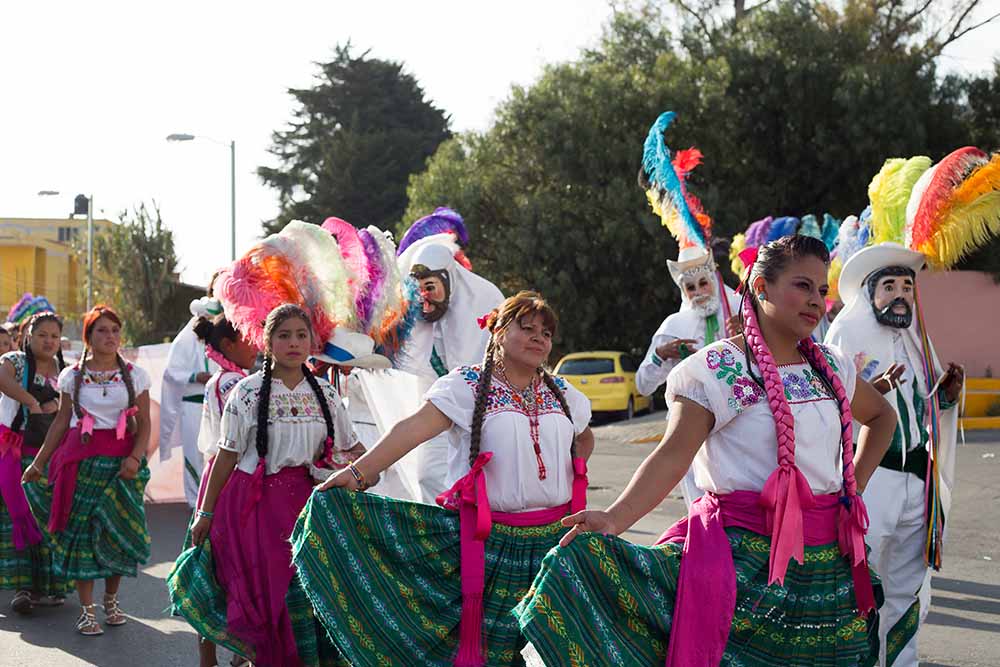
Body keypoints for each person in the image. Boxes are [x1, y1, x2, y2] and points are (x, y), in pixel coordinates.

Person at [515, 236, 896, 667]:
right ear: (761, 287)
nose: (815, 301)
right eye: (802, 285)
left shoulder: (833, 365)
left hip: (827, 565)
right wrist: (614, 519)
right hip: (741, 565)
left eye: (822, 290)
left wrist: (852, 492)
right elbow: (672, 455)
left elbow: (883, 418)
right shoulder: (715, 370)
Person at [291, 291, 594, 667]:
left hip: (555, 542)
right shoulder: (466, 386)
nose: (539, 338)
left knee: (564, 652)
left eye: (546, 333)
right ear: (497, 331)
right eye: (527, 327)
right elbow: (413, 429)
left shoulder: (562, 393)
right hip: (489, 544)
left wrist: (570, 465)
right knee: (492, 653)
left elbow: (583, 434)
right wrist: (358, 472)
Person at [168, 304, 363, 667]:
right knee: (265, 603)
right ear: (268, 342)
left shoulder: (327, 394)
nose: (293, 343)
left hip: (309, 508)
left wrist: (365, 468)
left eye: (301, 335)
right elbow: (225, 457)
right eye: (283, 335)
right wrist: (205, 513)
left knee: (304, 602)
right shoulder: (247, 392)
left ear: (311, 341)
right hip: (252, 510)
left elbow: (353, 448)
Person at [826, 242, 964, 666]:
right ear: (870, 294)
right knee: (862, 584)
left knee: (907, 587)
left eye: (908, 285)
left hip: (917, 483)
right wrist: (876, 393)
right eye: (890, 286)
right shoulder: (847, 335)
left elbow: (925, 407)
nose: (902, 294)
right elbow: (827, 408)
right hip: (872, 479)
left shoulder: (916, 338)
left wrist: (947, 397)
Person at [23, 305, 152, 636]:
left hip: (122, 466)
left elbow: (146, 426)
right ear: (88, 337)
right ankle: (87, 611)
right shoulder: (73, 377)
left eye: (115, 330)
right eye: (102, 331)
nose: (110, 337)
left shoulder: (136, 375)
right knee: (81, 537)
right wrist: (39, 462)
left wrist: (135, 459)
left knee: (118, 535)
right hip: (80, 464)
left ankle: (111, 601)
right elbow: (61, 422)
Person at [392, 213, 504, 503]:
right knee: (427, 475)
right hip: (437, 411)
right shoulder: (416, 318)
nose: (424, 298)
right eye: (417, 291)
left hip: (485, 413)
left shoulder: (487, 300)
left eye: (430, 287)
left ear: (448, 280)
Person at [635, 244, 741, 505]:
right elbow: (643, 385)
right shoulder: (674, 325)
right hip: (691, 432)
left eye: (703, 283)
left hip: (739, 425)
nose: (698, 293)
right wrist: (660, 354)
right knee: (701, 504)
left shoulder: (740, 310)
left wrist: (748, 332)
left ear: (714, 279)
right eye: (690, 288)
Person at [184, 311, 258, 667]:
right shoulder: (232, 383)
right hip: (230, 481)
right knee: (221, 570)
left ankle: (226, 654)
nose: (256, 344)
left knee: (224, 569)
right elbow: (239, 442)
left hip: (226, 476)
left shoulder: (232, 378)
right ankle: (211, 658)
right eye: (249, 337)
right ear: (229, 344)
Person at [0, 312, 67, 613]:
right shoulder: (15, 361)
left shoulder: (64, 370)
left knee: (50, 519)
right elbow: (1, 379)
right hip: (15, 452)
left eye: (54, 335)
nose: (49, 340)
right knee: (19, 517)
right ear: (28, 335)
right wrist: (31, 401)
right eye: (42, 334)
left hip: (52, 454)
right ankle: (23, 588)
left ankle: (50, 586)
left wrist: (54, 404)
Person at [161, 295, 223, 508]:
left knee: (214, 451)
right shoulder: (185, 339)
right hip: (192, 404)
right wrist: (195, 376)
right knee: (193, 453)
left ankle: (211, 502)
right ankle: (194, 501)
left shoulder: (220, 341)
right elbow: (171, 373)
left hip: (216, 406)